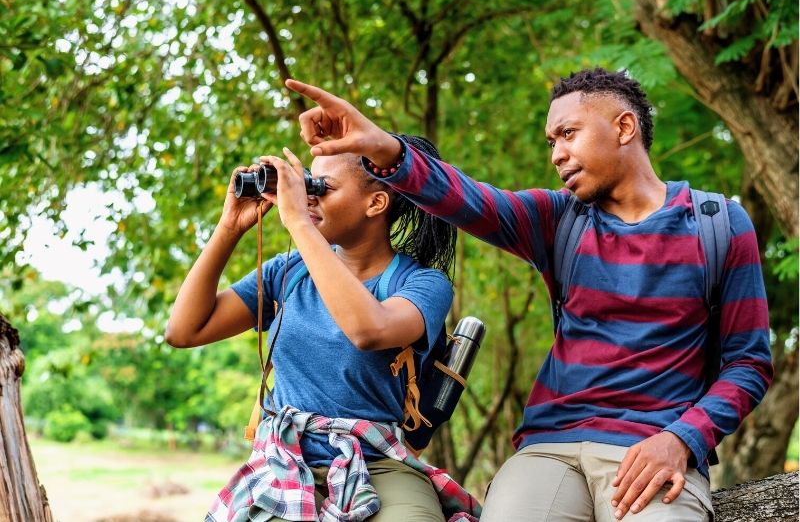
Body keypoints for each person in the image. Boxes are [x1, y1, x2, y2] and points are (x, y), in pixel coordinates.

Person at [284, 68, 773, 521]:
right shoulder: (558, 220)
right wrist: (386, 150)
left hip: (653, 448)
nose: (556, 153)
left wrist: (682, 439)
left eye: (568, 134)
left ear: (624, 128)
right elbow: (469, 199)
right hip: (550, 448)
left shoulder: (718, 226)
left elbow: (748, 364)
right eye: (551, 141)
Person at [165, 138, 481, 521]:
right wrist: (230, 226)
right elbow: (184, 331)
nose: (307, 197)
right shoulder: (289, 273)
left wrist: (298, 220)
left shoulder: (423, 285)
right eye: (306, 184)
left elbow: (369, 330)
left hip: (378, 463)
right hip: (285, 459)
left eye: (321, 188)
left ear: (375, 203)